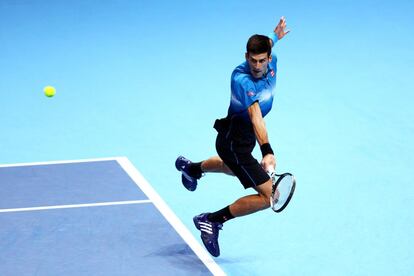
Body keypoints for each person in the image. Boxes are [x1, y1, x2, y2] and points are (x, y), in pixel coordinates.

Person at [175, 17, 290, 257]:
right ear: (245, 56)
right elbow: (256, 117)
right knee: (269, 196)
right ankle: (212, 220)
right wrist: (267, 151)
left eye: (261, 60)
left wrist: (276, 36)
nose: (256, 66)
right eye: (252, 59)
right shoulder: (242, 80)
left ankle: (193, 169)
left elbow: (268, 44)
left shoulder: (271, 60)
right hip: (235, 141)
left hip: (239, 139)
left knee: (231, 168)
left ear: (269, 58)